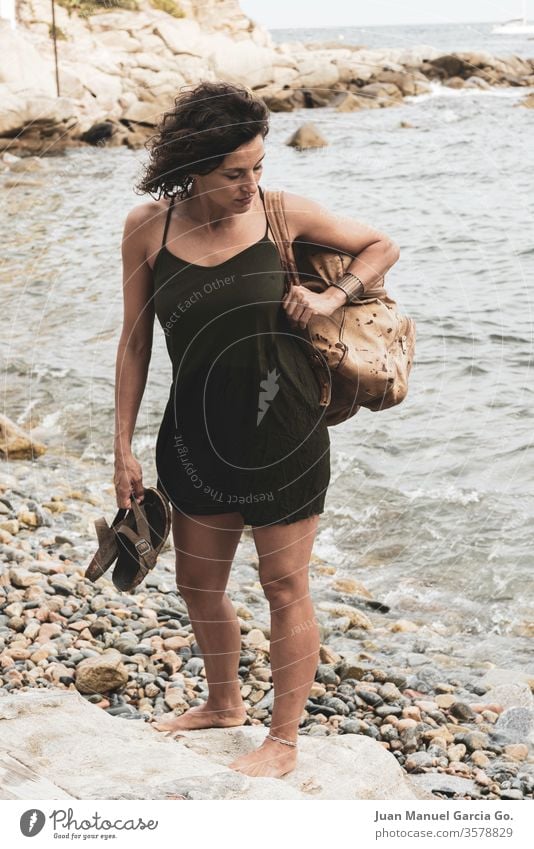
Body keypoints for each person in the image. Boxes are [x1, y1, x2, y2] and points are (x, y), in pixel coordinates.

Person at [113, 80, 400, 779]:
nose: (250, 184)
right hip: (194, 433)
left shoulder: (279, 213)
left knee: (283, 583)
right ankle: (222, 703)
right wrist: (120, 446)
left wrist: (332, 294)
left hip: (287, 431)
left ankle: (284, 739)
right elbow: (134, 343)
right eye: (234, 172)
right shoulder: (148, 227)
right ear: (194, 168)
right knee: (198, 584)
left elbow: (380, 246)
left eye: (258, 167)